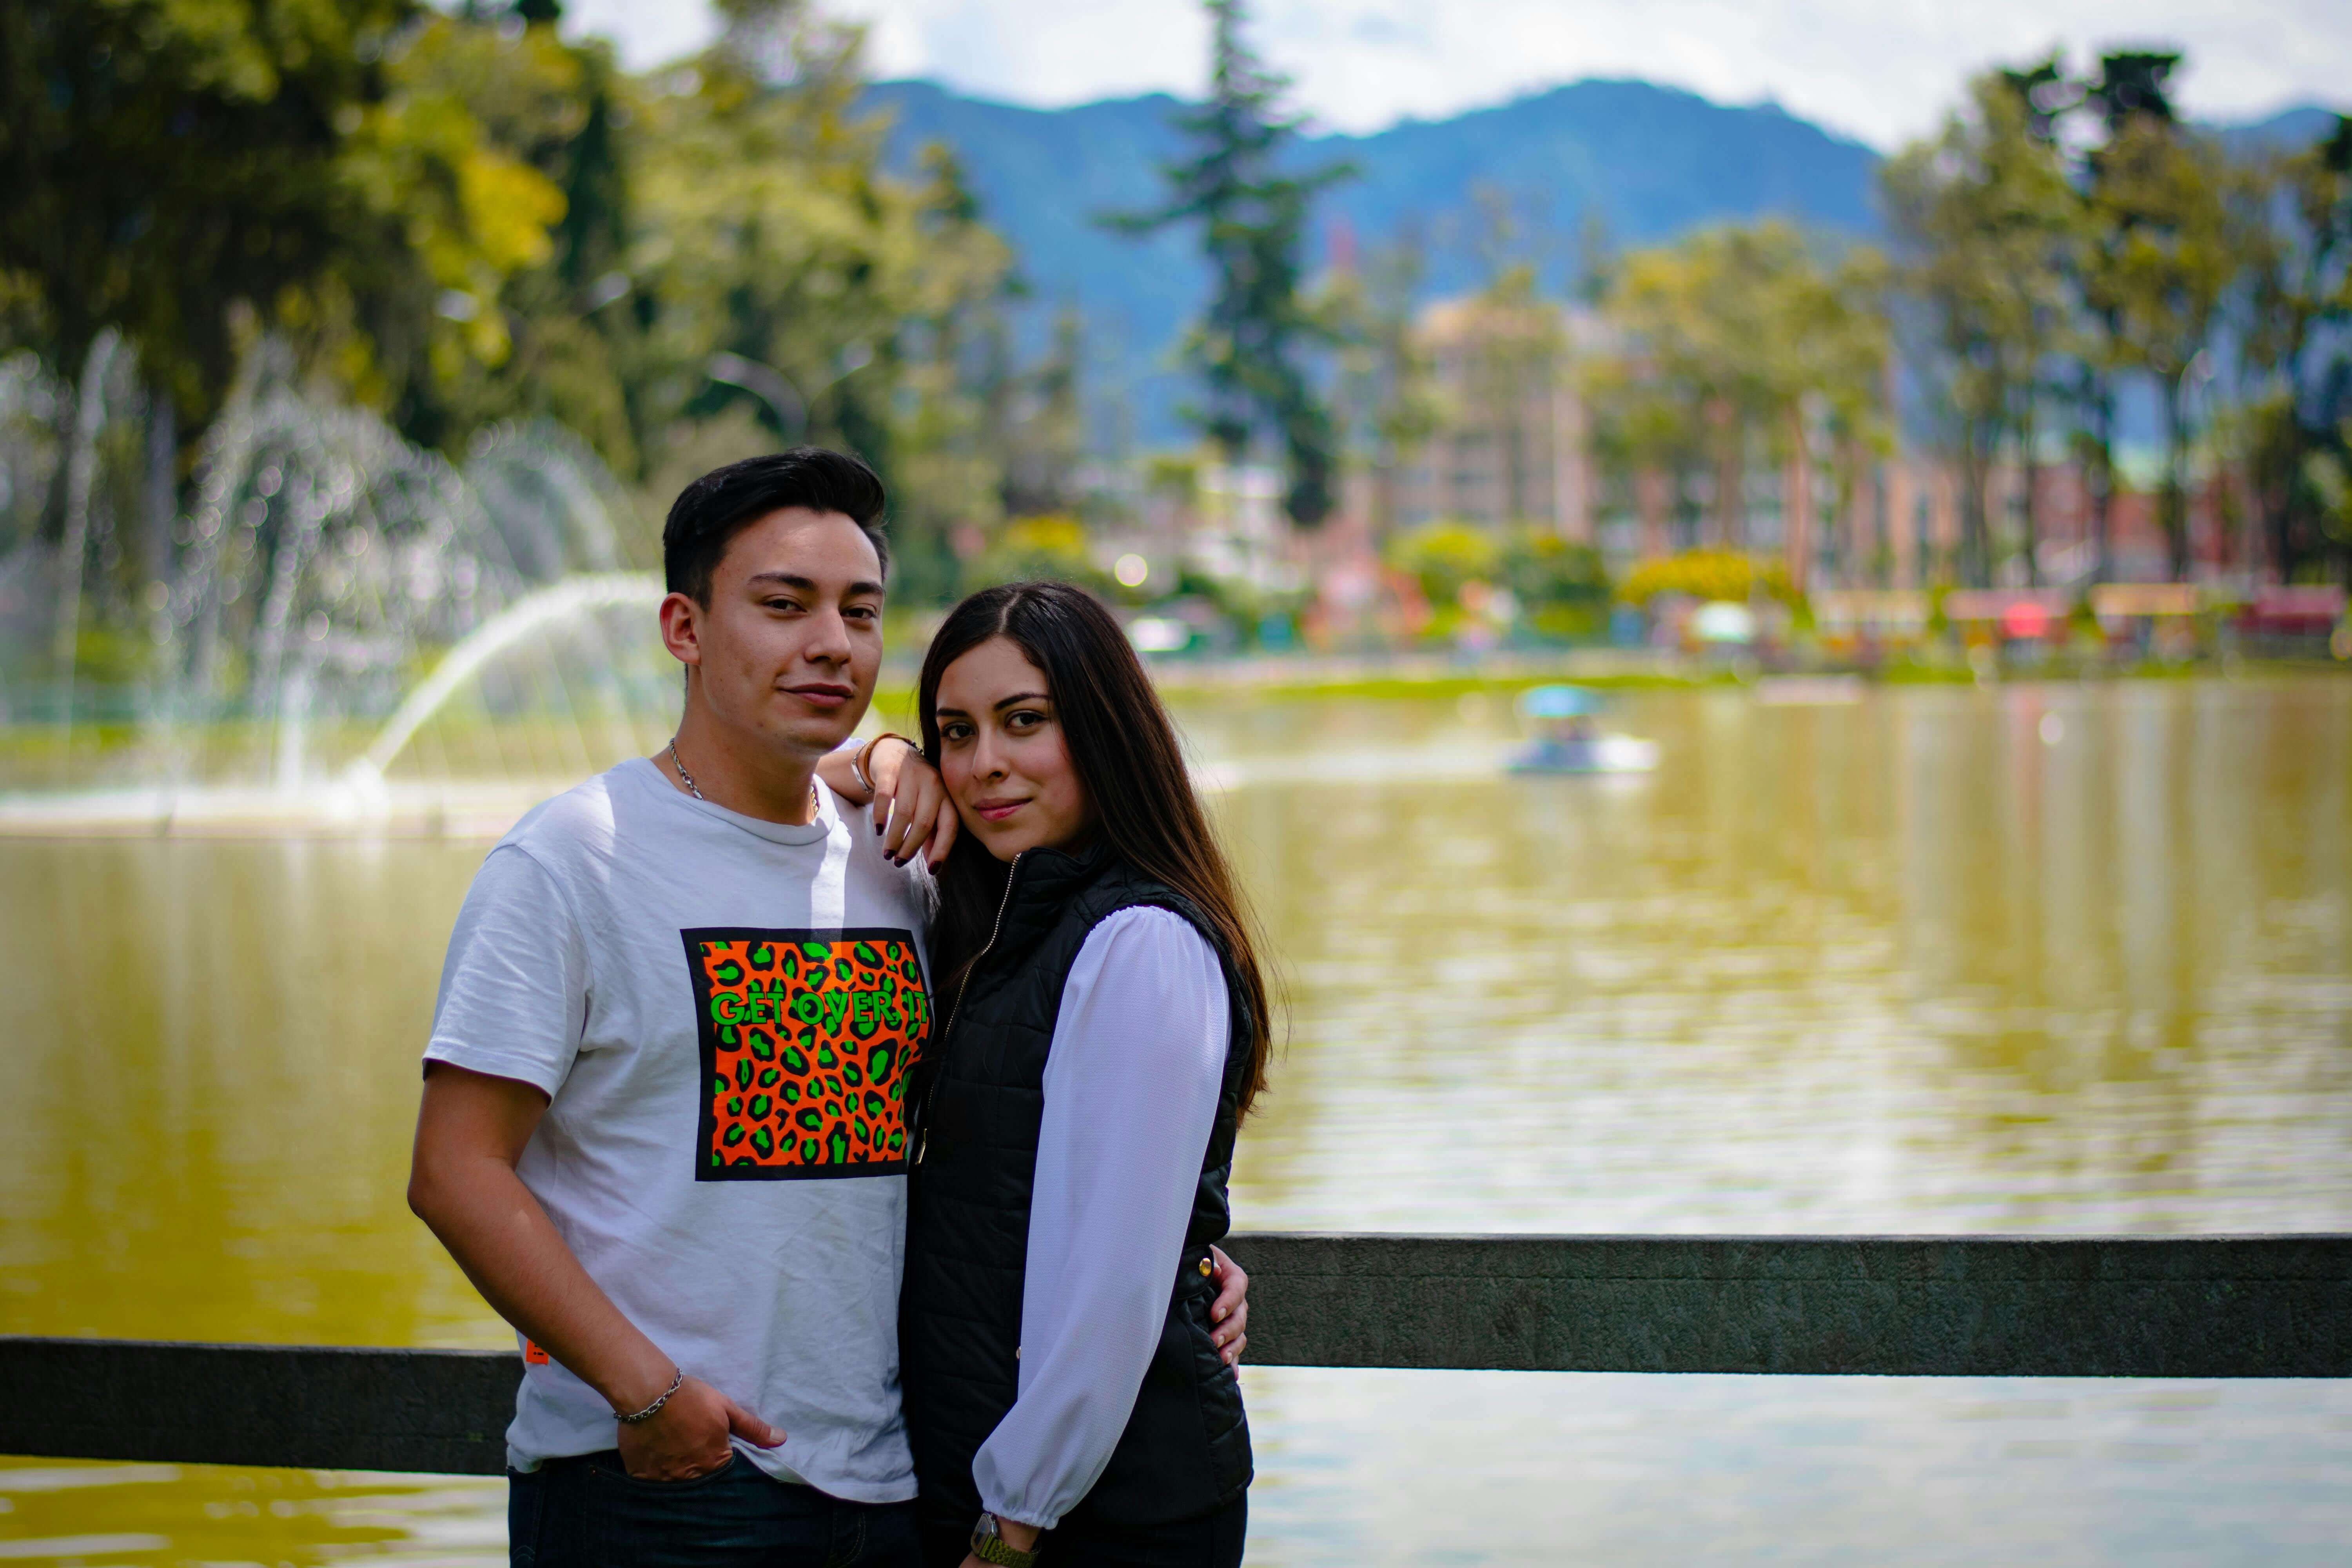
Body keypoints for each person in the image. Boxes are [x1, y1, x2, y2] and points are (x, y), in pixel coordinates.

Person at [405, 450, 1249, 1566]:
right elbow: (455, 1170)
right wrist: (645, 1390)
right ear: (684, 629)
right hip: (668, 1485)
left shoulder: (904, 857)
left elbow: (1041, 1126)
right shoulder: (572, 861)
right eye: (782, 604)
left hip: (896, 1488)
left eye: (860, 611)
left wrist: (1183, 1266)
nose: (831, 644)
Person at [892, 582, 1271, 1568]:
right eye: (955, 733)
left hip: (1089, 1520)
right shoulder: (1002, 928)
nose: (985, 765)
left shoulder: (1138, 940)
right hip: (999, 1490)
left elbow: (1110, 1285)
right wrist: (888, 758)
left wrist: (1009, 1526)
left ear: (1104, 726)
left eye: (1026, 721)